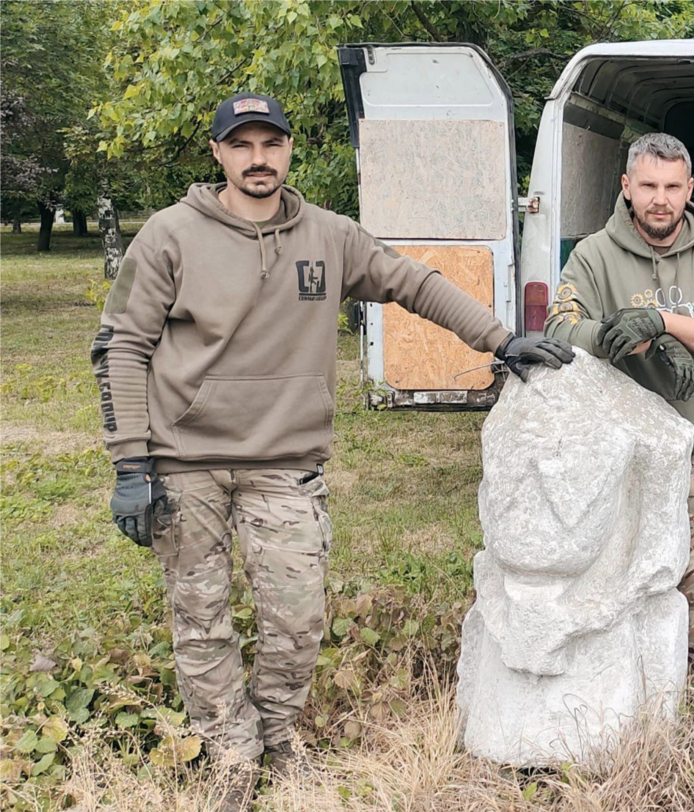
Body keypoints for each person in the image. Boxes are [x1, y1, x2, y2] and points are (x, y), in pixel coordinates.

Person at [92, 92, 573, 811]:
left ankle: (279, 740)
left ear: (288, 151)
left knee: (296, 617)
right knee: (201, 617)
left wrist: (499, 339)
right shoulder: (169, 237)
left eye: (271, 144)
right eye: (242, 145)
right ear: (219, 154)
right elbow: (121, 348)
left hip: (285, 463)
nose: (259, 159)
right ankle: (229, 750)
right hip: (183, 462)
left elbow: (415, 283)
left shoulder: (330, 236)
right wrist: (131, 463)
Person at [545, 132, 694, 675]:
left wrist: (666, 321)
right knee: (688, 564)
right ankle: (688, 677)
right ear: (627, 187)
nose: (660, 199)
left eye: (672, 186)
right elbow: (559, 326)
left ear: (689, 187)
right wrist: (619, 336)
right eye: (648, 185)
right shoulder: (593, 256)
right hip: (663, 435)